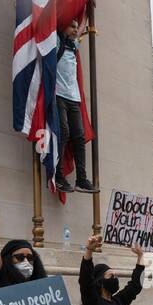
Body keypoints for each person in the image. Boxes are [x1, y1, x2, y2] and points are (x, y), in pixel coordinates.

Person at [52, 19, 98, 195]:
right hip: (59, 95)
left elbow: (80, 30)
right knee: (64, 132)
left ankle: (81, 178)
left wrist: (86, 8)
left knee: (79, 136)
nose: (74, 30)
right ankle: (58, 175)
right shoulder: (57, 42)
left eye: (74, 26)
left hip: (74, 98)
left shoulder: (73, 46)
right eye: (70, 26)